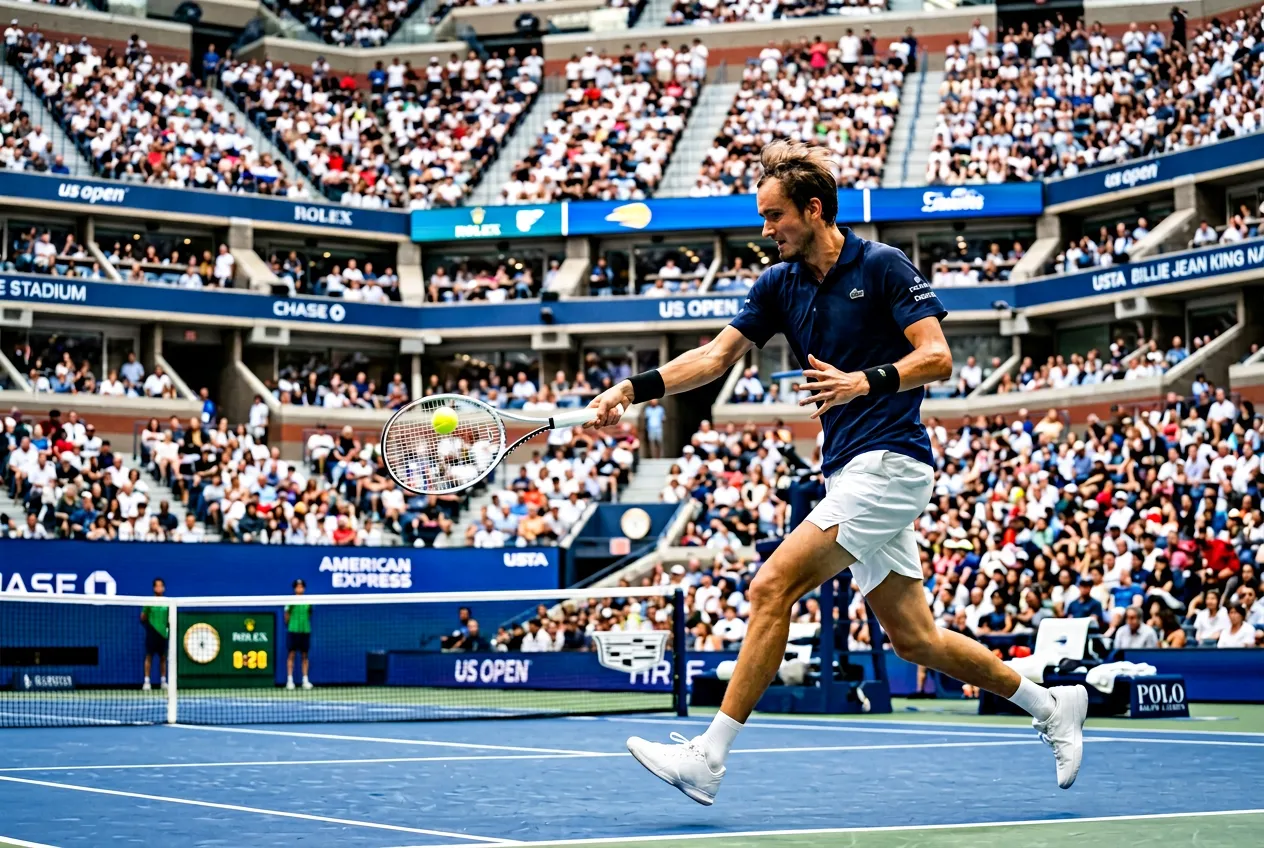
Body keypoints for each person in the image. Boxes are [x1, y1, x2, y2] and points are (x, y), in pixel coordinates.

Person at [586, 141, 1088, 805]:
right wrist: (632, 391)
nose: (765, 232)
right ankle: (1053, 706)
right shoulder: (778, 285)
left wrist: (863, 381)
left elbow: (937, 358)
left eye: (774, 217)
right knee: (917, 640)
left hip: (892, 463)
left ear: (814, 209)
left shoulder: (882, 267)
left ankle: (708, 757)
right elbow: (715, 357)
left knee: (771, 586)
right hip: (850, 470)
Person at [140, 578, 169, 692]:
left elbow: (169, 618)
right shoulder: (149, 601)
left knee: (163, 658)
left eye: (161, 586)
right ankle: (147, 682)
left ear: (164, 588)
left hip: (163, 635)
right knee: (149, 657)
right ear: (154, 588)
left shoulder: (167, 602)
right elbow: (143, 617)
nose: (159, 588)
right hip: (152, 633)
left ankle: (163, 681)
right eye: (157, 586)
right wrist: (150, 627)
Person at [285, 579, 314, 690]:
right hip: (293, 631)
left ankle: (305, 680)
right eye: (297, 586)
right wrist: (291, 625)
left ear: (304, 588)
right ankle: (290, 680)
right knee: (291, 655)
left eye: (301, 586)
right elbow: (286, 615)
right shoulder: (290, 601)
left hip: (305, 631)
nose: (299, 588)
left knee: (305, 656)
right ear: (294, 588)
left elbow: (310, 614)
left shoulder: (308, 601)